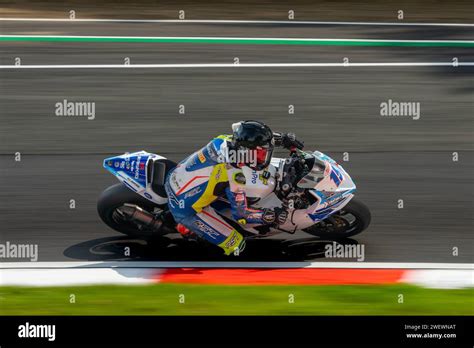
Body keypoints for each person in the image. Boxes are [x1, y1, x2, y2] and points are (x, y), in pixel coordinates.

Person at [164, 120, 304, 255]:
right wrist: (270, 216)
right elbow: (242, 215)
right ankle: (194, 235)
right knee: (236, 244)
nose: (264, 157)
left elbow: (250, 136)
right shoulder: (234, 173)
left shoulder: (227, 141)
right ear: (246, 152)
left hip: (179, 174)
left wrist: (283, 138)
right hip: (185, 208)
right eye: (260, 154)